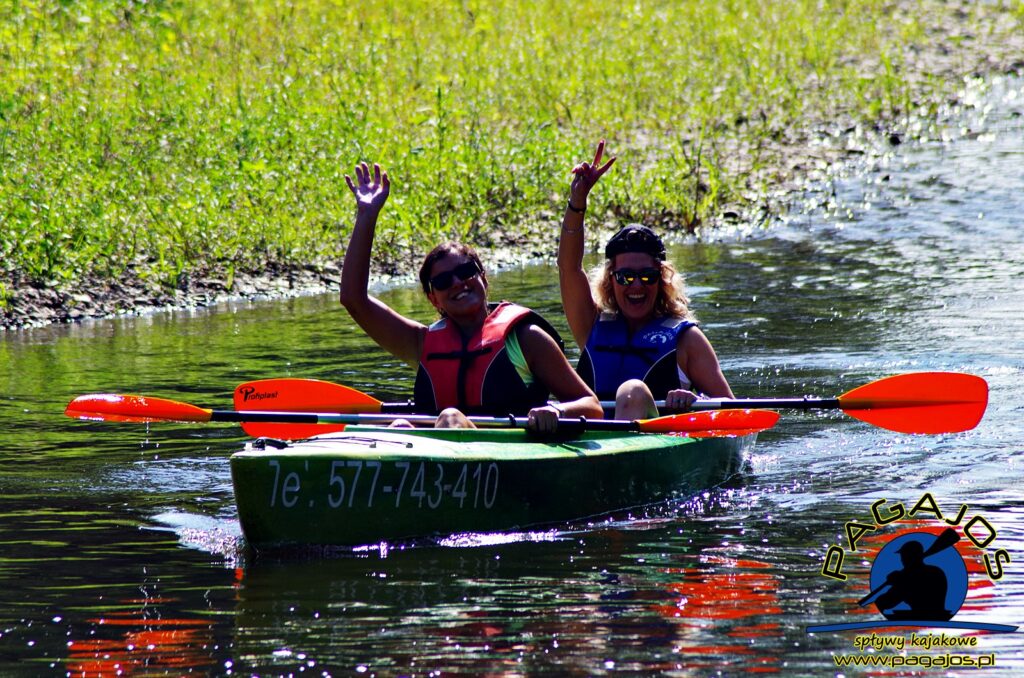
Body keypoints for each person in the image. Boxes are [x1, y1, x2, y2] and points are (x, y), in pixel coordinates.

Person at [339, 161, 603, 432]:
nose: (457, 283)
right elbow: (353, 299)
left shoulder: (527, 339)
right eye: (442, 281)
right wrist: (366, 216)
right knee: (399, 425)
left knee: (450, 417)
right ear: (433, 299)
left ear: (483, 278)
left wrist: (555, 410)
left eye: (466, 271)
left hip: (509, 456)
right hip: (444, 452)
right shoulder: (420, 343)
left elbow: (591, 406)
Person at [557, 140, 734, 420]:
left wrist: (697, 401)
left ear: (662, 280)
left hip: (657, 447)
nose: (636, 285)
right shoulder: (590, 324)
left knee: (633, 392)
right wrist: (577, 202)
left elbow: (731, 411)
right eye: (625, 277)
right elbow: (568, 267)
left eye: (647, 276)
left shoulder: (687, 340)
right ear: (610, 281)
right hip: (594, 447)